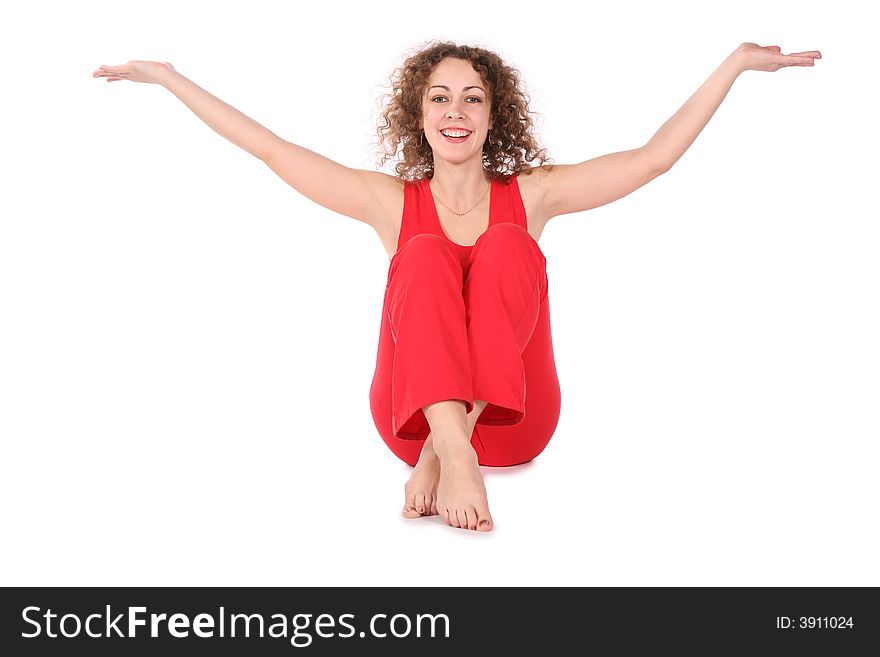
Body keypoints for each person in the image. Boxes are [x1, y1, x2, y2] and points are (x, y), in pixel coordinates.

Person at [93, 40, 821, 533]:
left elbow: (654, 159)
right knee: (424, 256)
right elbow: (269, 147)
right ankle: (446, 441)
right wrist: (167, 76)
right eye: (440, 99)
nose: (455, 112)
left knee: (507, 245)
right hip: (405, 417)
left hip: (516, 420)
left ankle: (454, 445)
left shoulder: (531, 195)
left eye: (472, 99)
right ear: (420, 115)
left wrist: (735, 64)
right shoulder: (391, 201)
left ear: (491, 116)